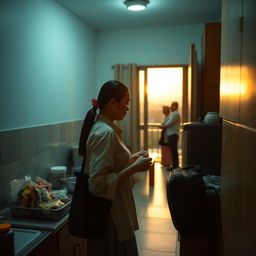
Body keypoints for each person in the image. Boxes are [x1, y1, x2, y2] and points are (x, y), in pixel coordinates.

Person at [78, 80, 152, 256]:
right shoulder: (105, 133)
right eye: (126, 103)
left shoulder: (107, 128)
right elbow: (98, 184)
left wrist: (133, 158)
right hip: (110, 215)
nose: (127, 108)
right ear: (112, 103)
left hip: (116, 209)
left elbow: (112, 165)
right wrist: (134, 168)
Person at [160, 101, 181, 170]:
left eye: (172, 106)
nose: (170, 107)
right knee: (173, 150)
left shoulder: (175, 114)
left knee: (174, 151)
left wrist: (163, 126)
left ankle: (175, 166)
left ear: (175, 106)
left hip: (173, 134)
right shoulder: (174, 114)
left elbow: (169, 123)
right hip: (172, 134)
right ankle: (174, 165)